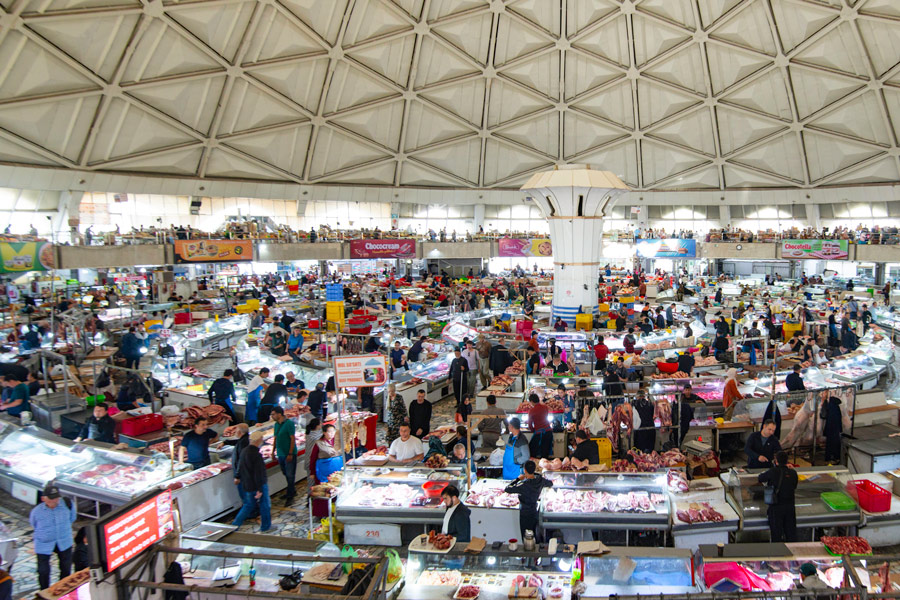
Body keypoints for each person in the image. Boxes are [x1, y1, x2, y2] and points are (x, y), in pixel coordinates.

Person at [30, 484, 77, 590]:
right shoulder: (37, 511)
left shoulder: (67, 504)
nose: (55, 501)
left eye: (56, 497)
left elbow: (72, 518)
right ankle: (44, 591)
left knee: (66, 567)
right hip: (44, 543)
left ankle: (63, 590)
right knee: (43, 571)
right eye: (52, 499)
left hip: (64, 540)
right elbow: (34, 524)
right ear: (43, 499)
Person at [232, 431, 271, 531]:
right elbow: (258, 474)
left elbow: (239, 466)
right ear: (259, 440)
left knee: (248, 506)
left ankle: (234, 525)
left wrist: (237, 476)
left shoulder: (244, 451)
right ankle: (266, 527)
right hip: (258, 485)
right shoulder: (256, 455)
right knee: (265, 505)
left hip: (247, 484)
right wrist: (259, 489)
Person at [504, 460, 552, 540]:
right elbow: (550, 483)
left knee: (525, 534)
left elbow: (507, 489)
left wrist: (518, 479)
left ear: (524, 470)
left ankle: (527, 548)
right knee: (534, 532)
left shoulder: (523, 485)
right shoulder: (540, 480)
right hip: (534, 511)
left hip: (525, 513)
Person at [758, 451, 798, 542]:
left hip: (776, 507)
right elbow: (794, 486)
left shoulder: (773, 471)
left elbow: (760, 478)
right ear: (787, 461)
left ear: (776, 461)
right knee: (791, 533)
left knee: (776, 533)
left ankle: (778, 553)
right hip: (790, 507)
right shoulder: (793, 473)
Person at [271, 406, 298, 506]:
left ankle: (290, 495)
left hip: (288, 454)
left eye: (273, 414)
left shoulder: (289, 424)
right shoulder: (276, 425)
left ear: (279, 414)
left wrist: (290, 453)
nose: (272, 416)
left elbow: (292, 439)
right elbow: (275, 438)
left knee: (290, 475)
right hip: (280, 454)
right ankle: (292, 490)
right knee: (285, 473)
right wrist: (273, 452)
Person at [821, 395, 844, 463]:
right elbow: (839, 419)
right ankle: (836, 457)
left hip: (829, 428)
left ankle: (828, 458)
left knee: (829, 444)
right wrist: (840, 429)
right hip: (835, 429)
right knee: (836, 444)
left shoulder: (829, 406)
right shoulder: (836, 407)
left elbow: (824, 416)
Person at [304, 418, 323, 485]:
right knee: (312, 481)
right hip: (312, 460)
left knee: (310, 480)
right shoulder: (316, 436)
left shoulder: (308, 434)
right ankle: (311, 494)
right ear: (317, 426)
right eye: (320, 424)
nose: (321, 425)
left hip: (308, 459)